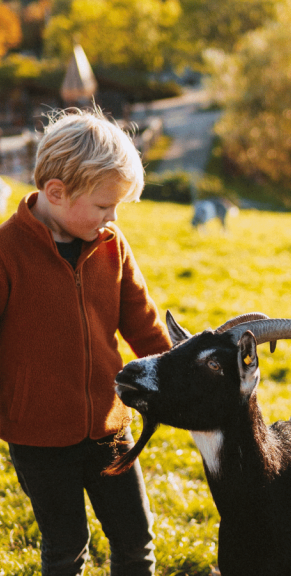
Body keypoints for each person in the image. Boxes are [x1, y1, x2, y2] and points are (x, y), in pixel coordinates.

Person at [0, 108, 172, 575]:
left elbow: (142, 322)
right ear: (56, 192)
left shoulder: (112, 245)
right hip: (38, 439)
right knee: (65, 547)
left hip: (109, 428)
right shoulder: (7, 252)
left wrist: (177, 374)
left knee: (136, 540)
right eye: (103, 206)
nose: (112, 218)